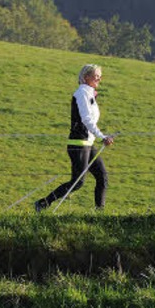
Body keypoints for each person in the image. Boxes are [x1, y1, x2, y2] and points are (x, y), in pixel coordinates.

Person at [35, 63, 115, 212]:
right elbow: (86, 119)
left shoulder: (89, 93)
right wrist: (102, 136)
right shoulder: (82, 93)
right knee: (77, 182)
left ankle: (100, 213)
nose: (99, 78)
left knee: (102, 177)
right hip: (78, 143)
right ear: (86, 77)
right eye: (95, 75)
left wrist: (99, 137)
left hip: (88, 143)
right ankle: (43, 203)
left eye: (100, 76)